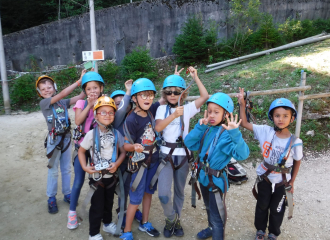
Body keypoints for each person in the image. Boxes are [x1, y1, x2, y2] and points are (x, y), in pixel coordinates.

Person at [237, 88, 303, 240]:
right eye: (277, 115)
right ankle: (260, 230)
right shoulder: (265, 131)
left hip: (282, 181)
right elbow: (245, 123)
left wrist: (292, 181)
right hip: (264, 177)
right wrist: (242, 104)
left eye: (285, 116)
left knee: (276, 208)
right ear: (272, 117)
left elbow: (297, 161)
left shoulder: (295, 142)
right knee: (262, 205)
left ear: (292, 118)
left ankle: (273, 233)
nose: (281, 119)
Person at [184, 92, 250, 240]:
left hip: (215, 181)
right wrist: (200, 127)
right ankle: (211, 228)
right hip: (203, 177)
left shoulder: (227, 135)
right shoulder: (207, 129)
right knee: (209, 208)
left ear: (226, 114)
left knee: (217, 216)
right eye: (210, 111)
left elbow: (243, 154)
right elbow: (189, 143)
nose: (212, 115)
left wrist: (235, 133)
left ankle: (215, 229)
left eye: (216, 112)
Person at [154, 66, 209, 237]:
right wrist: (174, 115)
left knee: (179, 191)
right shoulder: (161, 109)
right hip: (166, 155)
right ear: (164, 94)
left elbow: (205, 96)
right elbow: (158, 127)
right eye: (169, 92)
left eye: (176, 92)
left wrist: (196, 77)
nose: (172, 95)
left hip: (183, 156)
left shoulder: (189, 108)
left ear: (182, 94)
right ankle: (170, 218)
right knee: (163, 193)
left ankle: (177, 220)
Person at [120, 78, 165, 240]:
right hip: (139, 165)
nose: (148, 99)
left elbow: (164, 98)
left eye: (150, 95)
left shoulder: (151, 110)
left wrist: (170, 82)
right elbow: (125, 145)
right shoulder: (132, 119)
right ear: (134, 98)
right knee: (135, 198)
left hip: (153, 159)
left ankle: (144, 222)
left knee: (148, 192)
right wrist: (134, 147)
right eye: (143, 95)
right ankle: (126, 231)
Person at [78, 96, 126, 240]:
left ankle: (107, 223)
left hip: (111, 177)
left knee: (109, 203)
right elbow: (81, 151)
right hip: (97, 178)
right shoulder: (91, 134)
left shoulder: (117, 134)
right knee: (97, 206)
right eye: (103, 112)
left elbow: (123, 152)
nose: (107, 115)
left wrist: (116, 164)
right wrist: (85, 167)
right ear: (96, 114)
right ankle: (93, 233)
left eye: (111, 112)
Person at [37, 72, 85, 214]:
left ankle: (67, 193)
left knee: (66, 169)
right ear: (39, 92)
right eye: (43, 89)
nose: (47, 90)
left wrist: (87, 85)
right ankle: (51, 197)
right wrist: (78, 81)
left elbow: (80, 97)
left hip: (66, 138)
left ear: (54, 87)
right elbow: (64, 93)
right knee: (53, 171)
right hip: (54, 141)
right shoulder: (44, 103)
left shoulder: (62, 103)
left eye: (49, 87)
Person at [67, 70, 105, 229]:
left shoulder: (104, 102)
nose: (92, 91)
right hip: (81, 147)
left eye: (95, 88)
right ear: (84, 91)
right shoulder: (81, 104)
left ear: (101, 88)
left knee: (98, 180)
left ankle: (98, 212)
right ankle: (72, 213)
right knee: (78, 181)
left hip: (97, 149)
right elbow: (78, 120)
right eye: (88, 89)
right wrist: (89, 105)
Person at [110, 86, 143, 227]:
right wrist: (128, 92)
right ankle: (121, 211)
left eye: (124, 101)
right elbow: (122, 109)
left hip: (136, 157)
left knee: (134, 186)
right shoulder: (116, 119)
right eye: (117, 103)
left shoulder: (135, 116)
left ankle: (133, 209)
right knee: (123, 187)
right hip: (123, 159)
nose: (122, 104)